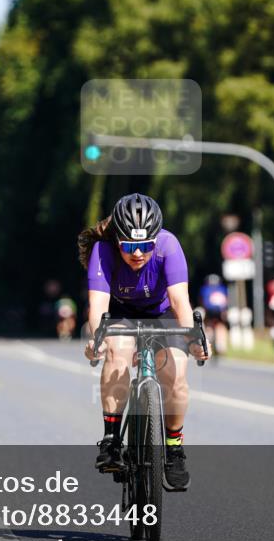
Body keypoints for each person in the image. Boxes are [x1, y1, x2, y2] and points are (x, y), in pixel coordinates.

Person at [78, 193, 208, 492]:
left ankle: (174, 448)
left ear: (156, 240)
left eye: (146, 246)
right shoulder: (102, 250)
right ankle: (111, 438)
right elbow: (97, 309)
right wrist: (96, 340)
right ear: (117, 240)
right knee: (117, 351)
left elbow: (180, 302)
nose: (138, 254)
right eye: (130, 246)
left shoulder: (169, 245)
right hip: (122, 313)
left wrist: (194, 338)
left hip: (163, 313)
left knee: (176, 371)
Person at [198, 274, 229, 356]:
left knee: (208, 325)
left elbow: (202, 301)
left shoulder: (205, 289)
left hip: (209, 311)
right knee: (221, 326)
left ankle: (208, 343)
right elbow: (226, 301)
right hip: (220, 311)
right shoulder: (222, 288)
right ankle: (221, 346)